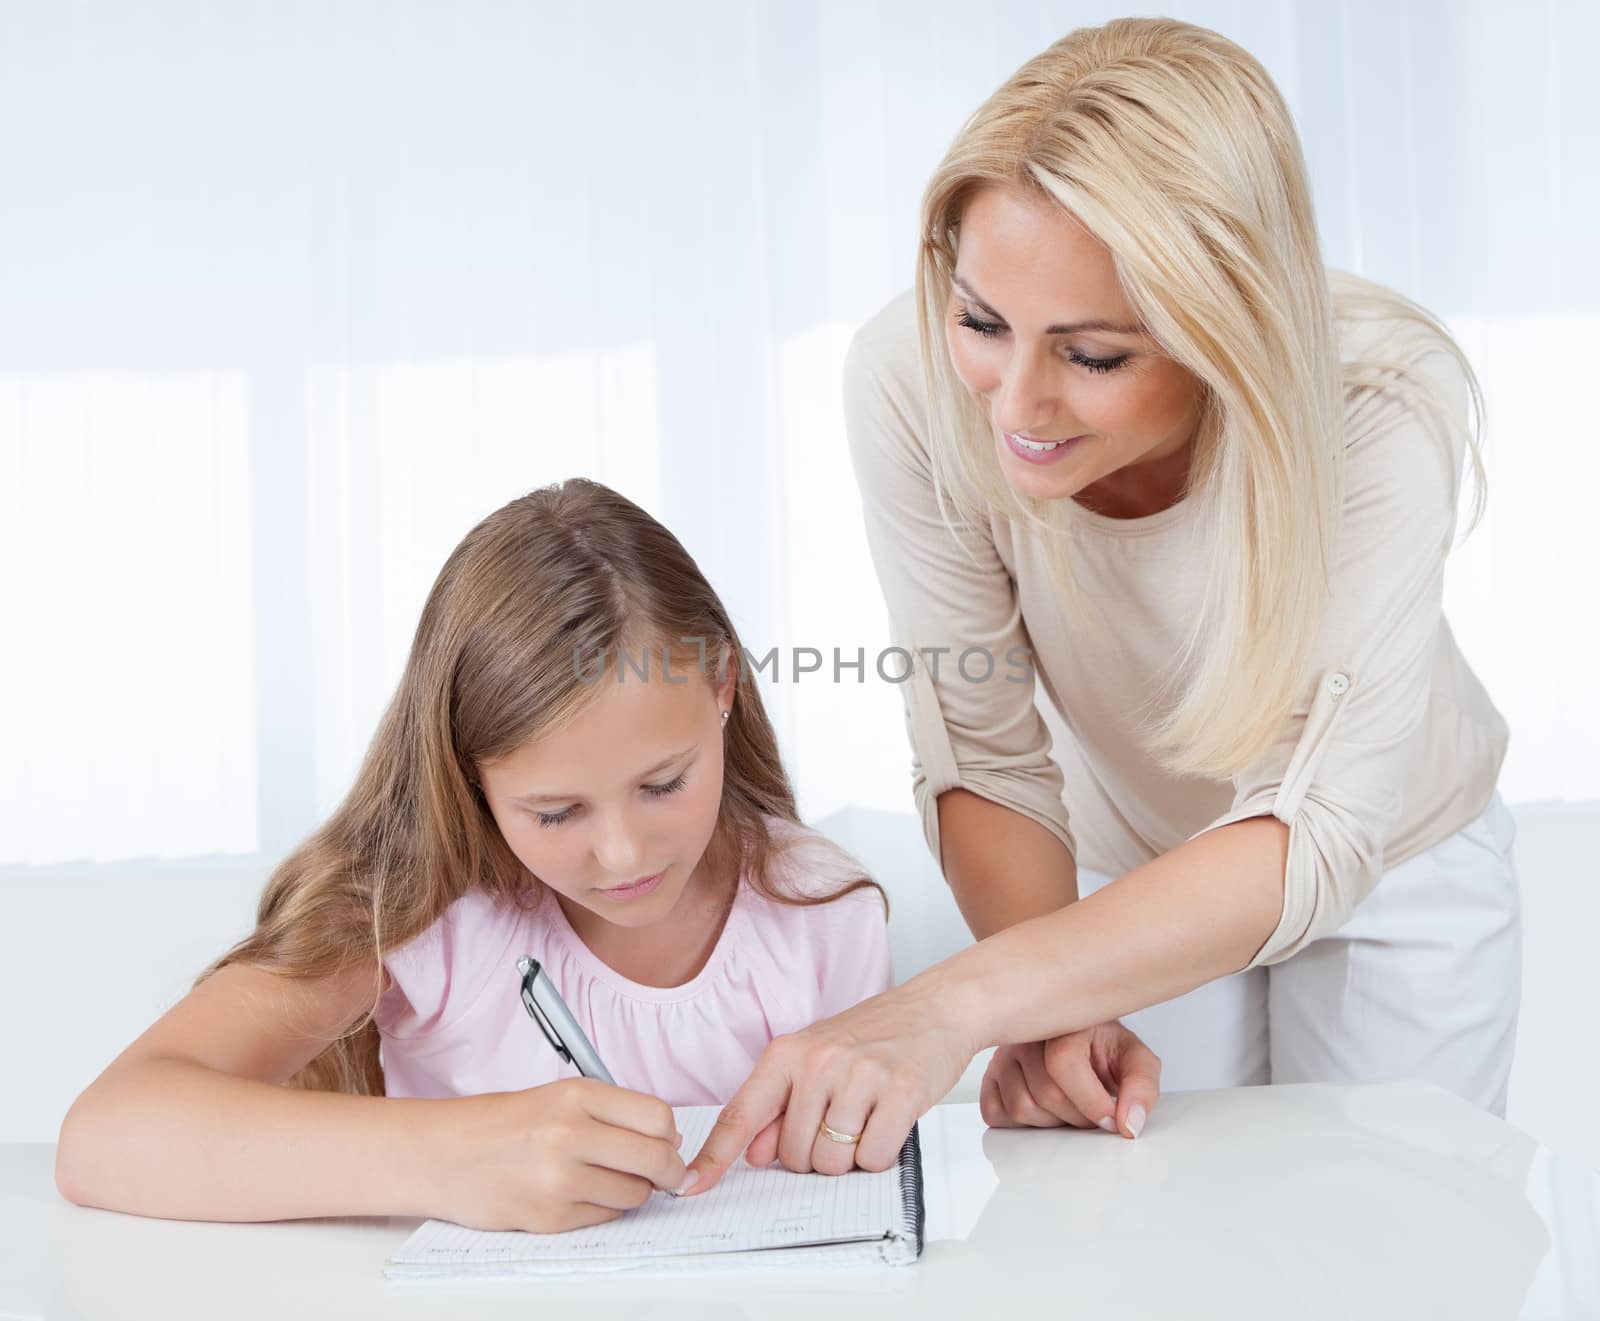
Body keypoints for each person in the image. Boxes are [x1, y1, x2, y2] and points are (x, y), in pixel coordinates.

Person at [684, 16, 1516, 1192]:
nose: (1015, 402)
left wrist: (957, 1006)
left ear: (1225, 326)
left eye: (1094, 356)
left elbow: (1320, 825)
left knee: (1391, 1244)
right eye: (983, 322)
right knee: (1146, 1225)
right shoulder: (908, 381)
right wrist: (1043, 1002)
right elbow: (985, 748)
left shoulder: (1374, 393)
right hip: (1125, 868)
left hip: (1394, 856)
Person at [55, 479, 891, 1231]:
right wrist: (456, 1156)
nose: (622, 851)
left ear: (723, 689)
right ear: (470, 774)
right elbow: (106, 1133)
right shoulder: (425, 913)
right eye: (555, 812)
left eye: (664, 783)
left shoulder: (822, 910)